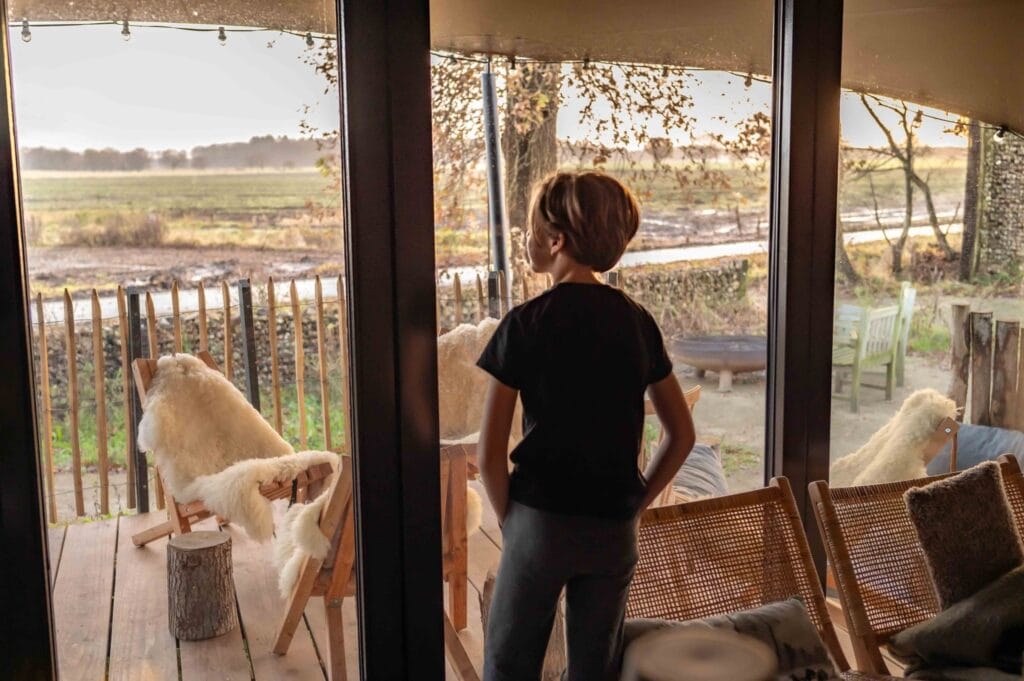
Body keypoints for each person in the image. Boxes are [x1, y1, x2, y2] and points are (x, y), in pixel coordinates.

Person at [477, 171, 696, 681]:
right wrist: (636, 502)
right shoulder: (638, 322)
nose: (526, 240)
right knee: (595, 670)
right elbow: (681, 435)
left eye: (532, 231)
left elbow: (489, 454)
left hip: (539, 522)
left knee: (509, 665)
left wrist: (514, 523)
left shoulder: (525, 324)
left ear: (556, 241)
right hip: (612, 529)